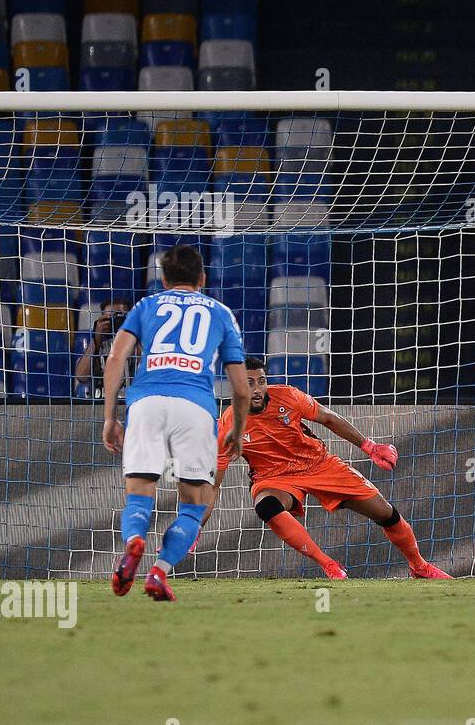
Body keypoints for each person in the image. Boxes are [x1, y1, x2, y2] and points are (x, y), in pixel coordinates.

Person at [202, 357, 450, 580]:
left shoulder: (289, 397)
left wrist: (370, 446)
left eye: (261, 381)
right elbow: (214, 484)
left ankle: (418, 565)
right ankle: (329, 565)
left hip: (319, 464)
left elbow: (329, 418)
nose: (257, 389)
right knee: (267, 506)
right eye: (249, 383)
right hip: (274, 477)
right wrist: (197, 525)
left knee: (385, 513)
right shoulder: (228, 424)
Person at [103, 245, 250, 601]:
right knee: (195, 503)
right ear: (202, 278)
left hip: (146, 402)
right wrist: (238, 430)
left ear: (164, 279)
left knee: (139, 495)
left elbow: (115, 357)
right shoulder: (221, 312)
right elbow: (242, 390)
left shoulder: (145, 306)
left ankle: (135, 540)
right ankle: (159, 571)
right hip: (195, 407)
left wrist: (110, 417)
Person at [74, 298, 133, 399]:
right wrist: (96, 338)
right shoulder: (98, 344)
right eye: (110, 317)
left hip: (131, 400)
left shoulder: (136, 341)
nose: (116, 320)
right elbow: (81, 376)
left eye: (120, 316)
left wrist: (133, 332)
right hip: (101, 402)